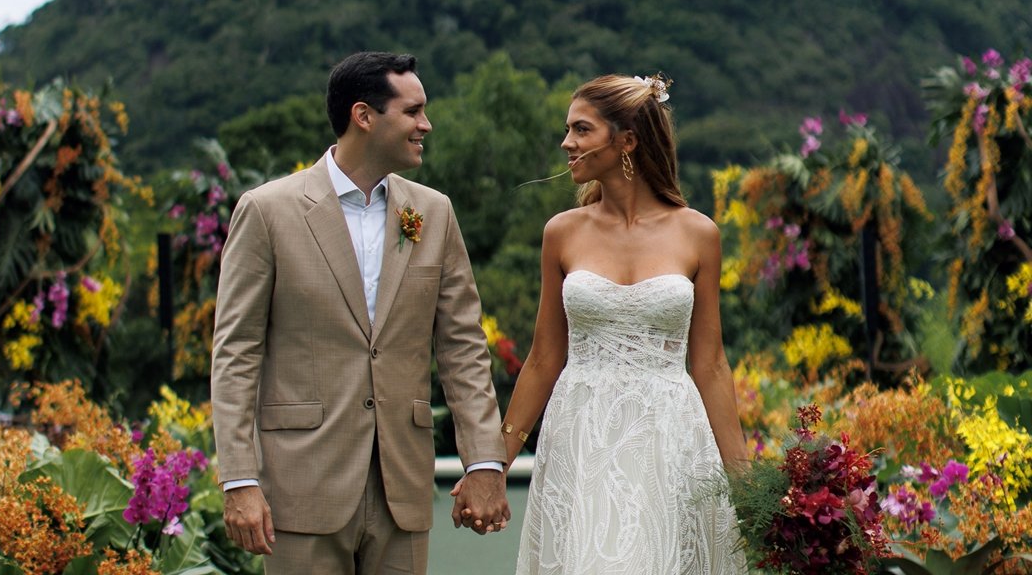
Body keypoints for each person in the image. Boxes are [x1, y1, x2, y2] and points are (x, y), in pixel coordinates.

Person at [211, 51, 510, 575]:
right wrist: (239, 479)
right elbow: (236, 353)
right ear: (364, 116)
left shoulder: (432, 212)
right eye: (413, 111)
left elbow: (462, 347)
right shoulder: (266, 210)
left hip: (403, 488)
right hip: (301, 487)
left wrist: (484, 462)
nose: (426, 124)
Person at [495, 73, 747, 573]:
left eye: (581, 130)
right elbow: (544, 358)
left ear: (626, 140)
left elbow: (711, 364)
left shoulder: (699, 235)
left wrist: (744, 483)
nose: (567, 143)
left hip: (669, 440)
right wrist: (493, 465)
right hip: (581, 436)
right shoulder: (561, 233)